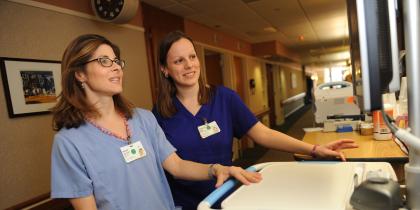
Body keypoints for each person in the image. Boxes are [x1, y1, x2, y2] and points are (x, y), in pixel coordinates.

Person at [50, 34, 262, 210]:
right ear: (79, 74)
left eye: (117, 61)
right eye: (105, 61)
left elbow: (177, 166)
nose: (116, 68)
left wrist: (215, 169)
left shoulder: (143, 118)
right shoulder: (69, 142)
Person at [152, 30, 359, 210]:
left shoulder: (225, 98)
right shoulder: (160, 114)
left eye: (192, 57)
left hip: (224, 197)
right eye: (179, 61)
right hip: (185, 203)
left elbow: (263, 134)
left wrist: (313, 149)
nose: (189, 65)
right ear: (165, 69)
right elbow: (172, 166)